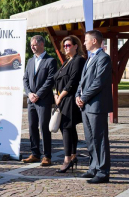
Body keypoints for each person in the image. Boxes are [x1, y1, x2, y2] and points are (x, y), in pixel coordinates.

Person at [76, 30, 112, 184]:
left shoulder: (104, 58)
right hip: (86, 106)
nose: (84, 43)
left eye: (86, 40)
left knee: (100, 139)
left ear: (95, 41)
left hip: (96, 106)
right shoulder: (89, 58)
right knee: (90, 139)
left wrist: (83, 97)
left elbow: (99, 82)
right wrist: (78, 94)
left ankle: (103, 172)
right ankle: (93, 168)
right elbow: (82, 81)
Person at [23, 35, 57, 166]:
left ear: (42, 44)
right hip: (31, 100)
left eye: (35, 44)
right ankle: (35, 153)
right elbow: (25, 79)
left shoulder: (50, 61)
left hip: (43, 100)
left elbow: (50, 80)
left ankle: (47, 155)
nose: (32, 46)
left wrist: (38, 94)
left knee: (44, 127)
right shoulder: (30, 61)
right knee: (32, 127)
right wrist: (29, 93)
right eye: (31, 44)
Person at [53, 35, 86, 173]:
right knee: (67, 128)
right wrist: (55, 94)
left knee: (67, 128)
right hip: (61, 99)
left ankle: (67, 159)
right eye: (64, 46)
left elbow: (73, 82)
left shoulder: (78, 60)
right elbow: (56, 80)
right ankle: (73, 156)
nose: (65, 48)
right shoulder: (66, 61)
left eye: (68, 45)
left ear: (76, 46)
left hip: (70, 99)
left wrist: (60, 97)